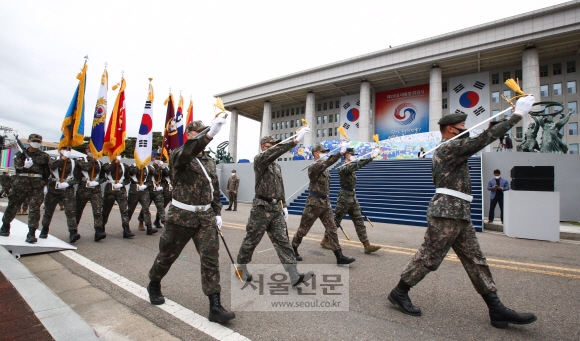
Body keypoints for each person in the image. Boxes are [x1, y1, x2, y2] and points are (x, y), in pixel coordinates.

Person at [387, 95, 538, 329]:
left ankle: (496, 309)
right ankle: (399, 292)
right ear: (450, 129)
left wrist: (502, 119)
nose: (466, 131)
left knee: (475, 260)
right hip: (446, 213)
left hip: (459, 213)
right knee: (430, 257)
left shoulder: (455, 147)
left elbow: (480, 137)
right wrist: (517, 116)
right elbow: (479, 141)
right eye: (462, 128)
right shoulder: (449, 148)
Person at [147, 117, 236, 324]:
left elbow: (213, 189)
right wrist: (208, 135)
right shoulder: (180, 155)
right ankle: (154, 282)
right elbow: (189, 150)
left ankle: (215, 306)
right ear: (189, 135)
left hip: (205, 218)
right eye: (198, 133)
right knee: (167, 255)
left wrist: (217, 212)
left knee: (210, 259)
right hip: (181, 217)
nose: (202, 137)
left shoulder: (209, 161)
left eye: (204, 133)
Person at [236, 129, 312, 287]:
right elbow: (274, 153)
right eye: (272, 145)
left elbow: (280, 186)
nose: (275, 148)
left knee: (283, 241)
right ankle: (241, 267)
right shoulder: (260, 160)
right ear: (264, 147)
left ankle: (293, 275)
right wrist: (294, 141)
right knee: (251, 241)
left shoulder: (277, 166)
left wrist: (283, 205)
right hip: (261, 208)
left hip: (275, 208)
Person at [291, 142, 356, 265]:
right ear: (316, 153)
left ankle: (339, 256)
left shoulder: (324, 169)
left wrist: (328, 201)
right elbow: (328, 162)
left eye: (325, 152)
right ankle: (293, 248)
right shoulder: (314, 167)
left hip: (325, 203)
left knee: (332, 229)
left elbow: (327, 165)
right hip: (314, 203)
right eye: (322, 152)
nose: (325, 154)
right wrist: (341, 153)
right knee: (303, 229)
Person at [320, 147, 381, 254]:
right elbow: (357, 166)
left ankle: (366, 245)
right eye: (353, 154)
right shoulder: (343, 167)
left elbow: (355, 167)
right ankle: (325, 240)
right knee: (336, 221)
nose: (354, 156)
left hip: (352, 197)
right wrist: (371, 157)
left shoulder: (350, 166)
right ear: (347, 155)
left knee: (359, 221)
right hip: (344, 198)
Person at [1, 134, 50, 243]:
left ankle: (31, 233)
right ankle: (5, 225)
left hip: (37, 185)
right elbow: (17, 169)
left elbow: (47, 172)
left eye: (38, 141)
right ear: (29, 141)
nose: (36, 142)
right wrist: (25, 167)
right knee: (13, 205)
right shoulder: (20, 154)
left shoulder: (44, 156)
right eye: (34, 140)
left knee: (35, 208)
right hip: (21, 184)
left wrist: (45, 184)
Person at [41, 150, 81, 243]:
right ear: (60, 151)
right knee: (48, 210)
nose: (67, 152)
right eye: (64, 150)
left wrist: (69, 183)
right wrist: (62, 159)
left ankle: (73, 233)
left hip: (67, 190)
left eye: (68, 150)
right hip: (53, 190)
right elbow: (51, 167)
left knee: (71, 212)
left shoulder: (74, 163)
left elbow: (78, 178)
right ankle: (44, 229)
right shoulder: (52, 159)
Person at [75, 144, 107, 242]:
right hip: (83, 188)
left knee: (97, 211)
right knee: (78, 210)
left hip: (95, 189)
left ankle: (98, 231)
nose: (92, 151)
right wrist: (93, 160)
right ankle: (73, 230)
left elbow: (103, 177)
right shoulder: (80, 160)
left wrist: (97, 182)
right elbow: (86, 168)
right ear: (86, 150)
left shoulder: (100, 164)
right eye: (90, 149)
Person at [102, 156, 134, 238]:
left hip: (121, 190)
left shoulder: (124, 166)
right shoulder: (107, 164)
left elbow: (128, 179)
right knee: (106, 210)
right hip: (110, 190)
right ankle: (101, 228)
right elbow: (107, 169)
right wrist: (114, 163)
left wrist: (122, 184)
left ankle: (126, 229)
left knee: (124, 210)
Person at [138, 155, 169, 230]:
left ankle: (164, 222)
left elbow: (165, 177)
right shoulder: (149, 168)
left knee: (161, 207)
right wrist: (160, 167)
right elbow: (155, 173)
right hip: (149, 190)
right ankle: (141, 221)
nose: (158, 160)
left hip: (157, 191)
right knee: (145, 208)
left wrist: (161, 186)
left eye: (160, 159)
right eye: (157, 159)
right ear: (154, 159)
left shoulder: (162, 169)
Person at [127, 163, 157, 235]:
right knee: (131, 209)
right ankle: (126, 226)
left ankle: (149, 227)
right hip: (134, 190)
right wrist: (139, 166)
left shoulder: (147, 168)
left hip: (143, 190)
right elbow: (131, 172)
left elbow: (150, 180)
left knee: (146, 208)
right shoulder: (132, 166)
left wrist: (145, 185)